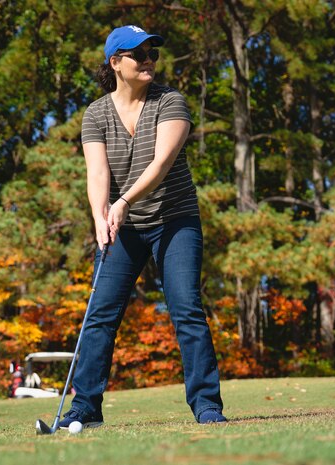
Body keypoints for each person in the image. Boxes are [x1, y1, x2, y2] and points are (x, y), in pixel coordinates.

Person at [58, 25, 226, 430]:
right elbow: (97, 174)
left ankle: (206, 405)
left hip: (175, 221)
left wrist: (123, 202)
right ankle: (85, 409)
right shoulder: (96, 114)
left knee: (185, 308)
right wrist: (101, 217)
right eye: (138, 54)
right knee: (99, 316)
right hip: (124, 228)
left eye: (152, 52)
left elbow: (162, 163)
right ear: (116, 63)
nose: (149, 59)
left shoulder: (170, 101)